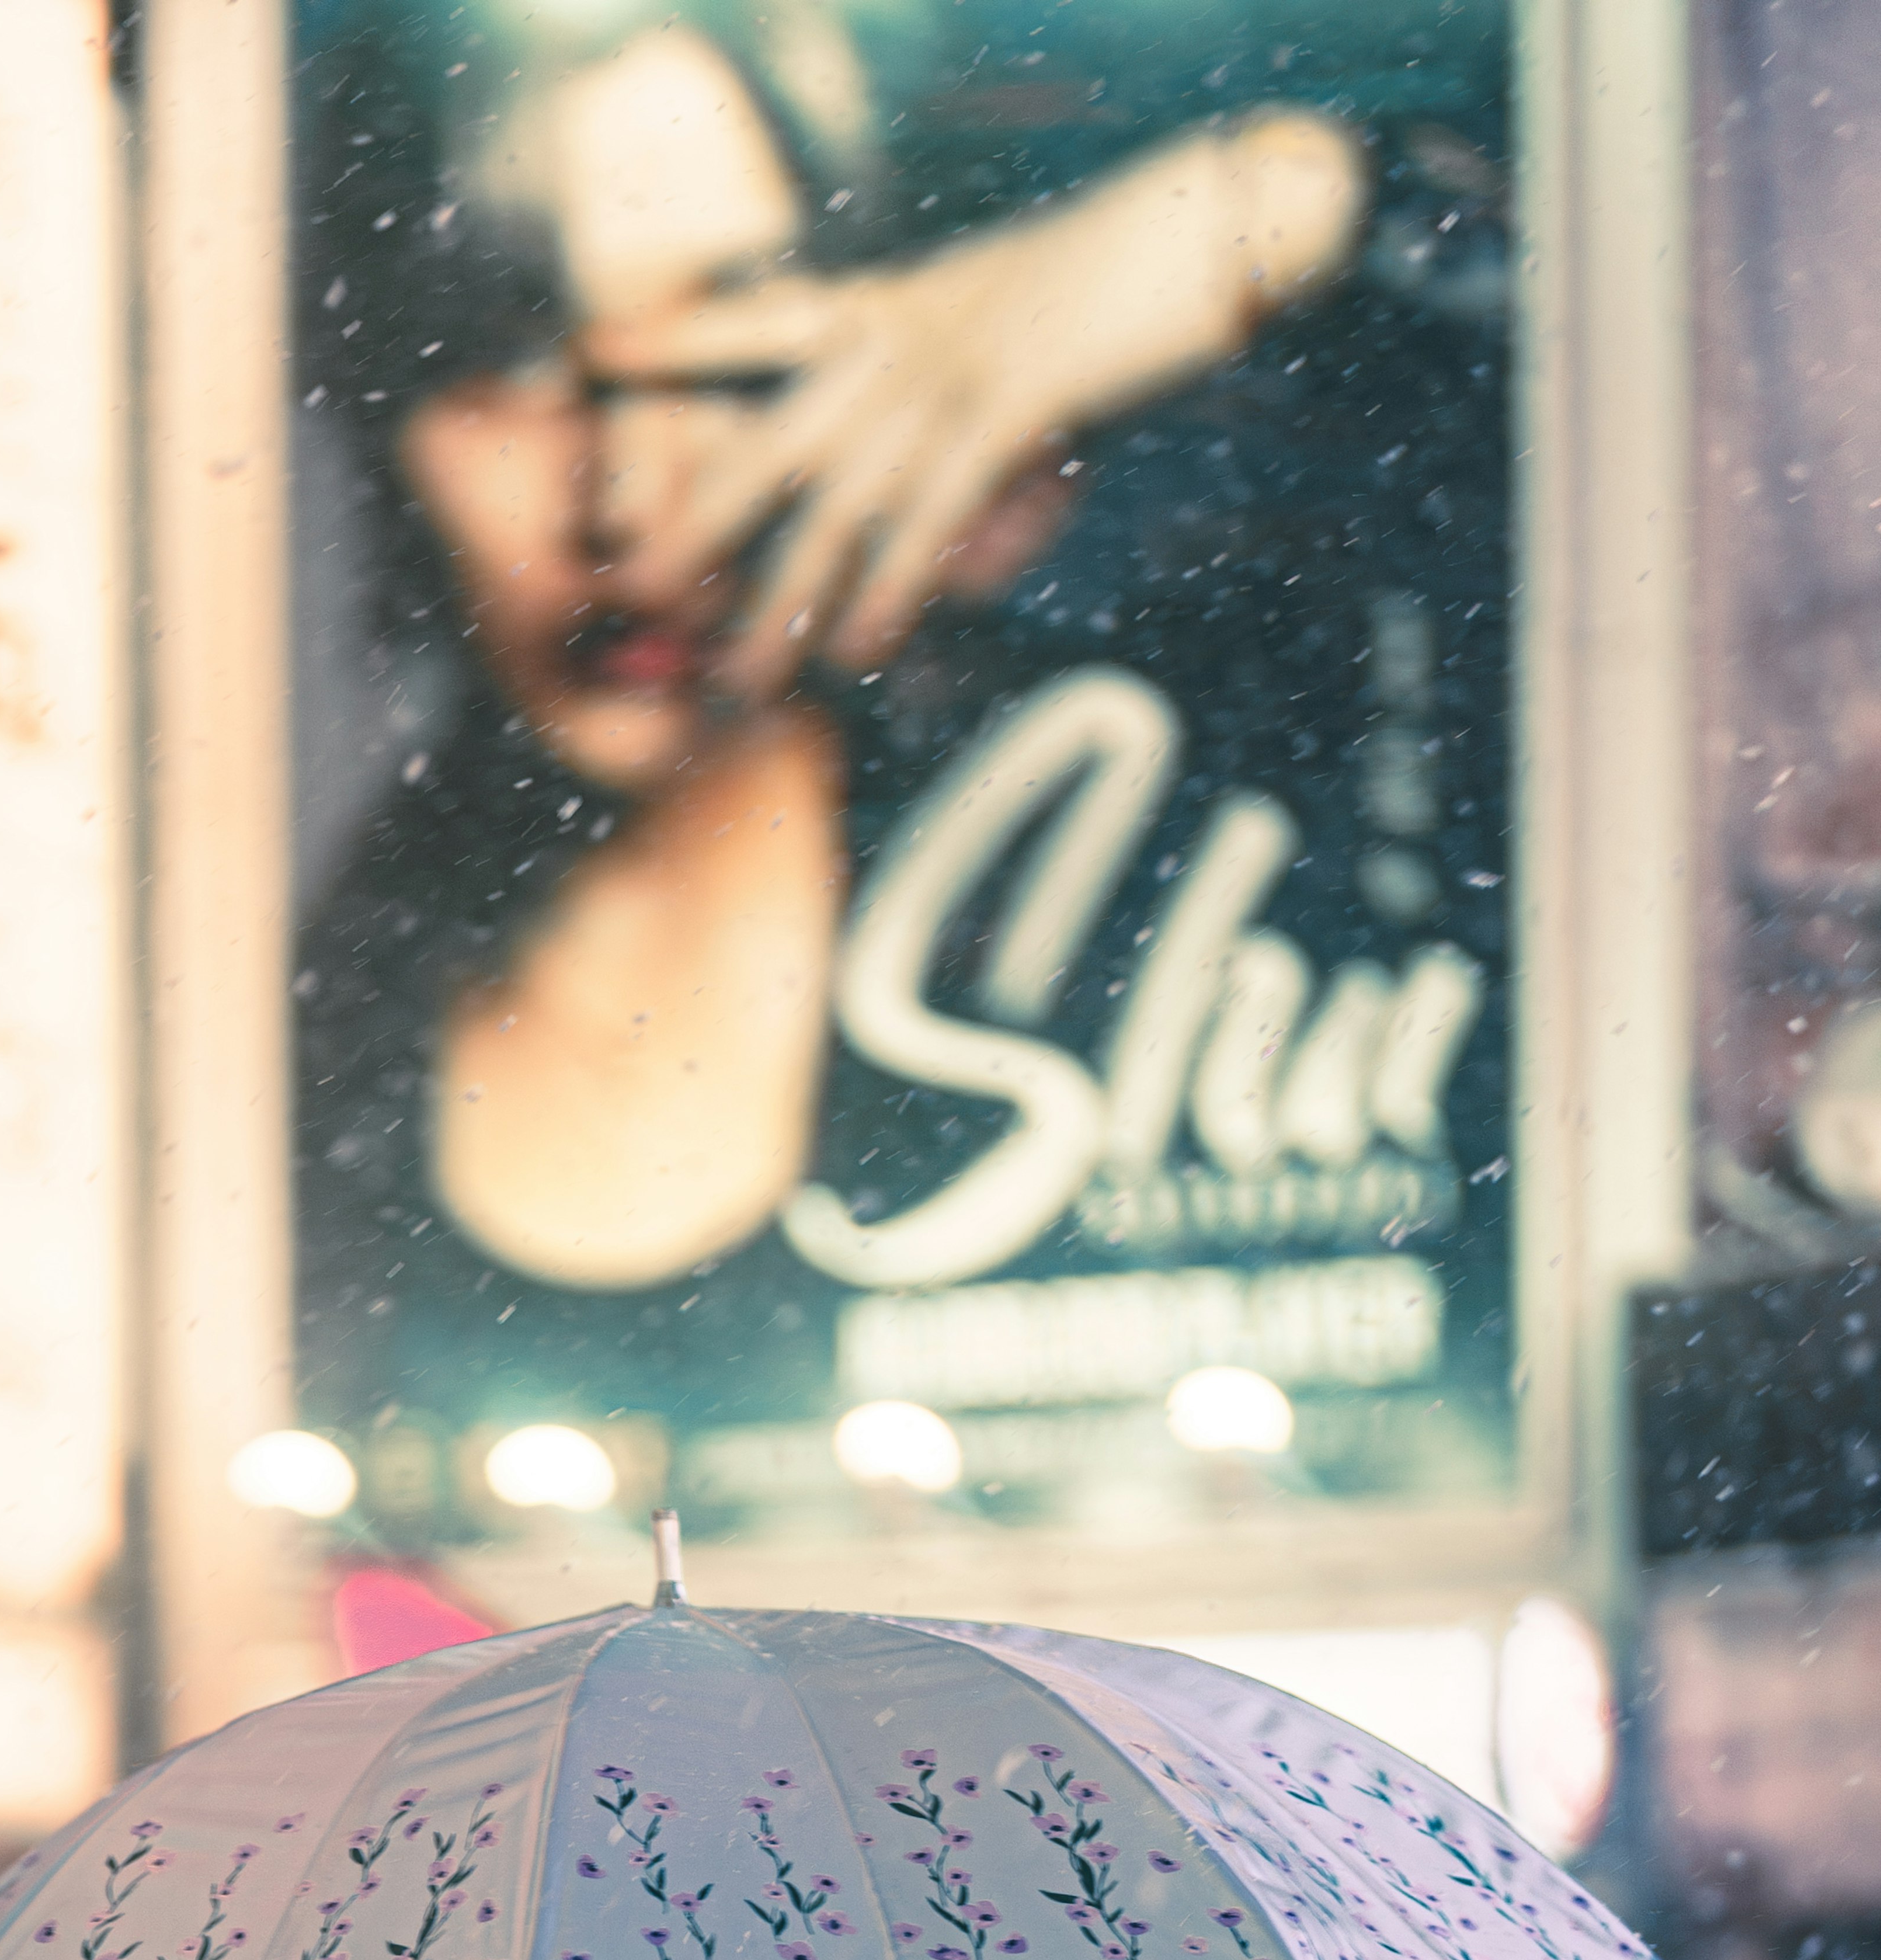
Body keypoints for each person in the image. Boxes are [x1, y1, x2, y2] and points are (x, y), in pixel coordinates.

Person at [299, 15, 1370, 1335]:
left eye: (737, 342)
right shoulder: (291, 1064)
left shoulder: (1201, 793)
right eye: (511, 359)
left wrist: (1216, 233)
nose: (630, 501)